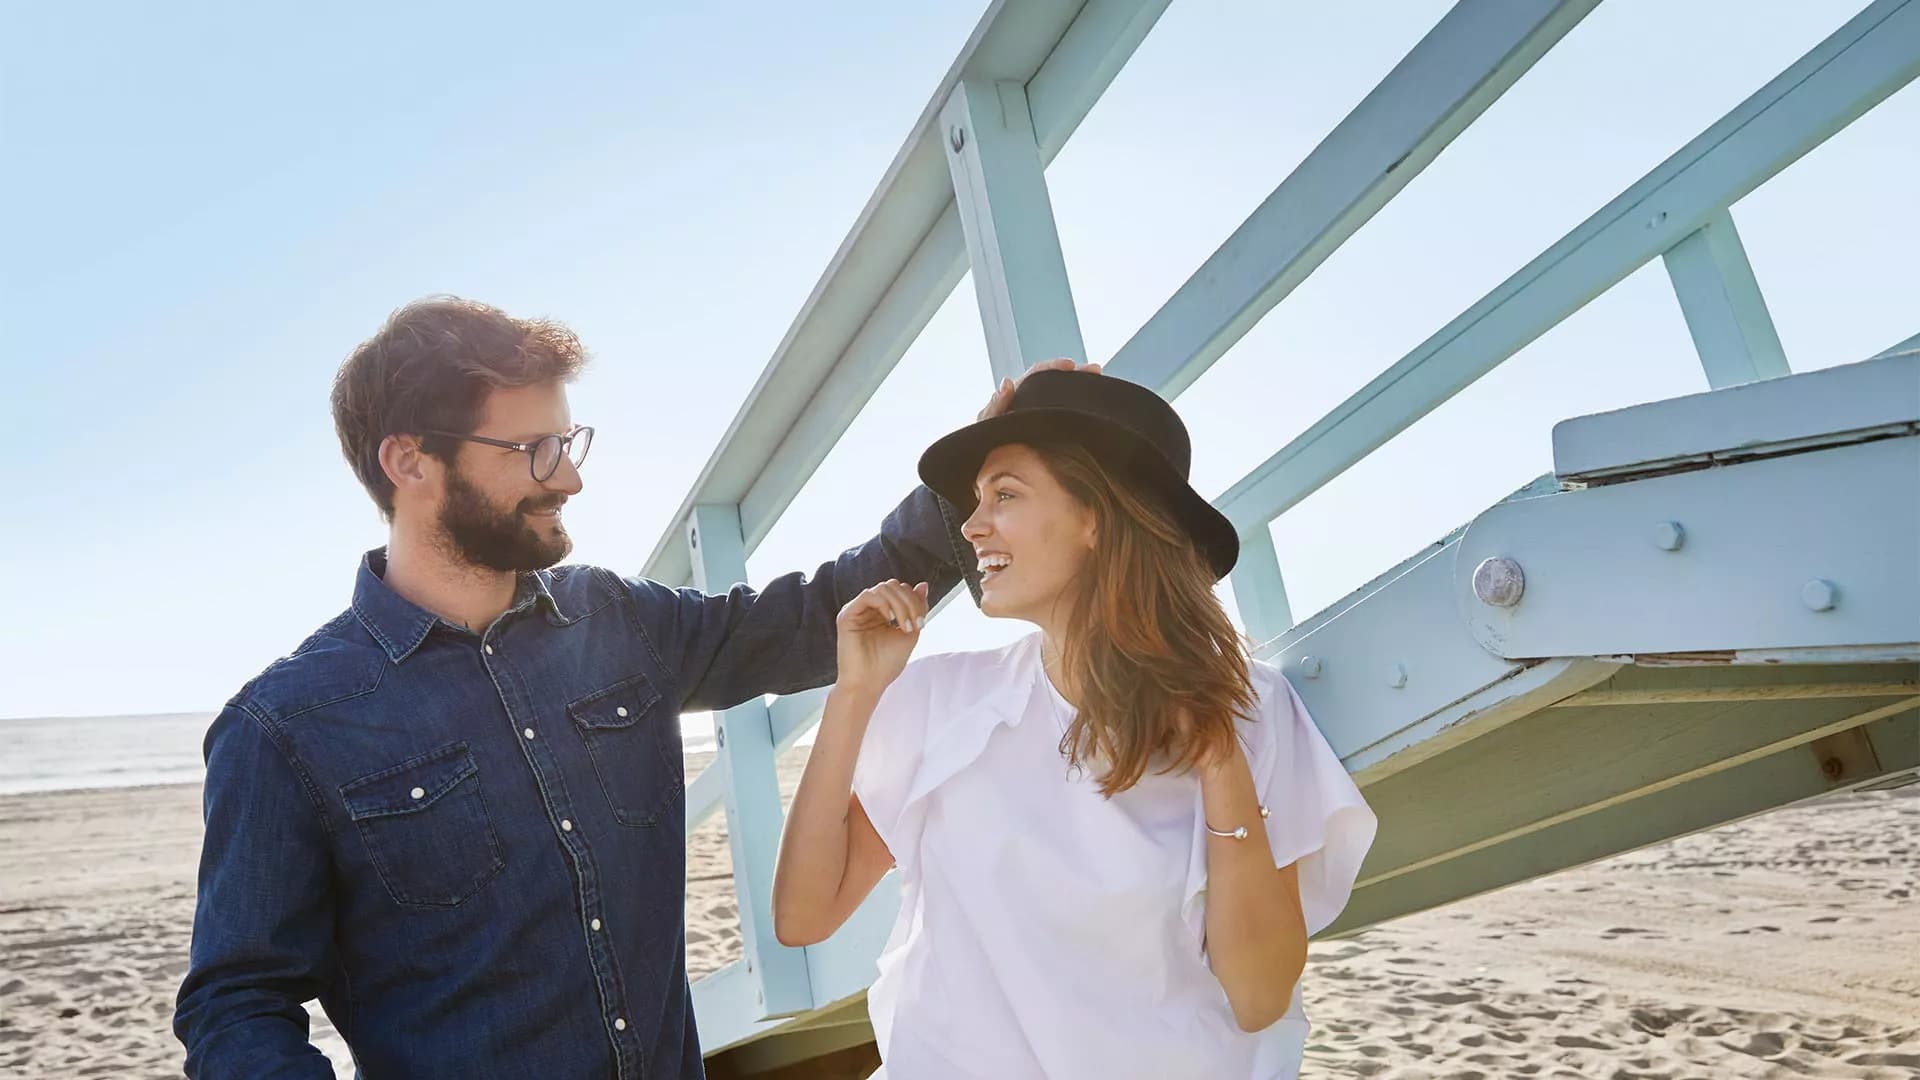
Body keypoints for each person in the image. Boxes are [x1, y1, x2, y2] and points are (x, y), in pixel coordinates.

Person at [172, 295, 1086, 1078]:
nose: (567, 475)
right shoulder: (285, 728)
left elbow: (807, 620)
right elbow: (238, 1003)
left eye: (566, 441)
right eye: (530, 450)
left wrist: (965, 487)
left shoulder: (615, 620)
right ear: (408, 462)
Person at [772, 369, 1377, 1078]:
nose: (970, 527)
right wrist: (854, 692)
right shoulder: (942, 700)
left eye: (1005, 494)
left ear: (1096, 518)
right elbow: (802, 919)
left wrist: (1220, 764)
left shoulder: (1250, 710)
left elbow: (1258, 996)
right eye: (976, 501)